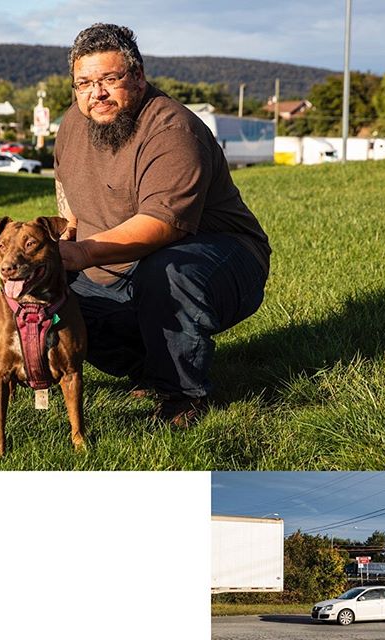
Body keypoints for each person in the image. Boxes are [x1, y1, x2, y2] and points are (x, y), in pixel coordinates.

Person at [54, 23, 270, 427]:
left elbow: (163, 225)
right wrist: (60, 247)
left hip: (220, 256)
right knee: (54, 292)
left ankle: (182, 397)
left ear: (137, 76)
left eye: (109, 79)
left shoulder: (172, 129)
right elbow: (66, 195)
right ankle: (151, 368)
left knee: (166, 272)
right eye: (84, 83)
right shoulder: (71, 125)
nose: (96, 93)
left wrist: (80, 253)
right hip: (115, 264)